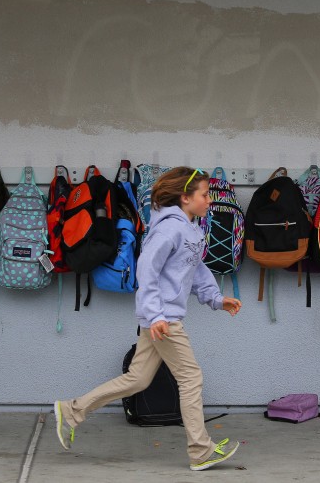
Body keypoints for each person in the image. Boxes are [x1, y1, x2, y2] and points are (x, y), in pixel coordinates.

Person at [53, 167, 243, 471]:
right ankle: (201, 450)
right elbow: (146, 271)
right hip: (164, 318)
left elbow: (196, 268)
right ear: (185, 197)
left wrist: (217, 299)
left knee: (137, 379)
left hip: (161, 317)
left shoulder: (191, 229)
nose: (209, 200)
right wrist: (155, 315)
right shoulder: (168, 230)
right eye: (204, 195)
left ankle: (72, 410)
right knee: (191, 378)